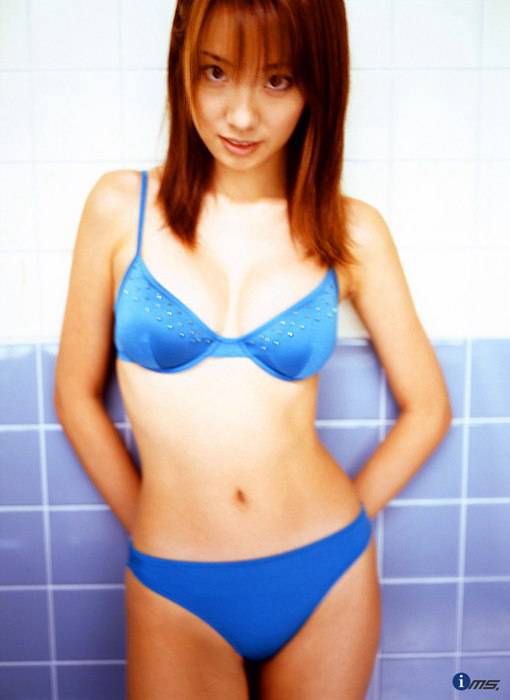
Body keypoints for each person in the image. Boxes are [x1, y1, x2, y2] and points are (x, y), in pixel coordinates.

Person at [54, 0, 452, 698]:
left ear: (317, 84)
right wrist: (151, 527)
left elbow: (429, 409)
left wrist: (348, 526)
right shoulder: (120, 209)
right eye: (216, 72)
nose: (241, 116)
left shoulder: (352, 232)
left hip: (327, 577)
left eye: (276, 80)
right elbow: (75, 395)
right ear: (183, 64)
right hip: (175, 585)